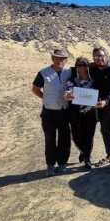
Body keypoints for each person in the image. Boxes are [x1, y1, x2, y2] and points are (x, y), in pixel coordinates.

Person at [31, 49, 73, 177]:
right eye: (56, 58)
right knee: (50, 139)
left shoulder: (69, 72)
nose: (59, 61)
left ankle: (62, 163)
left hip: (64, 111)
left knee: (64, 139)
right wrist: (45, 99)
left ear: (66, 60)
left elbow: (86, 67)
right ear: (52, 58)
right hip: (49, 112)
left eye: (62, 58)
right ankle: (50, 165)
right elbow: (35, 88)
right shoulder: (44, 73)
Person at [66, 57, 98, 169]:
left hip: (90, 114)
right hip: (76, 114)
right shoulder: (72, 81)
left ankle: (87, 159)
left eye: (85, 65)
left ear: (88, 67)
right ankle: (83, 152)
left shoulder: (94, 80)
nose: (82, 67)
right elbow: (68, 92)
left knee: (89, 136)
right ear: (76, 67)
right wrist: (68, 95)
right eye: (79, 65)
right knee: (76, 137)